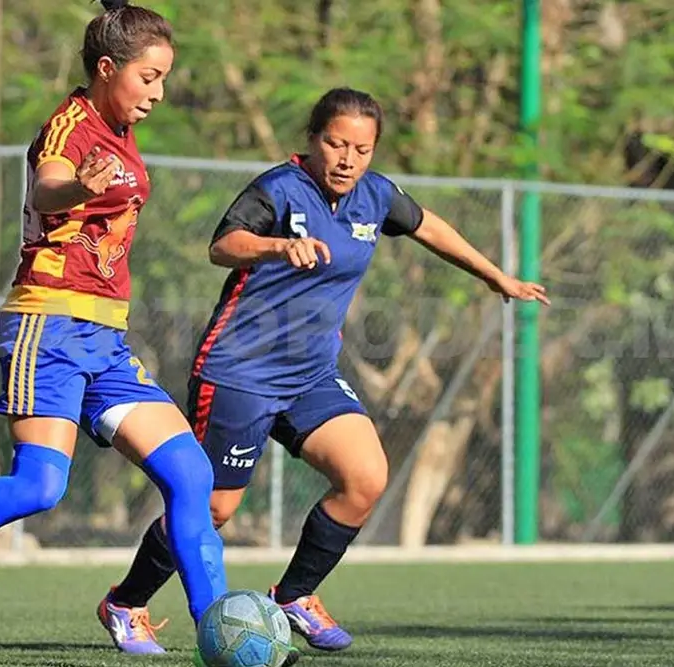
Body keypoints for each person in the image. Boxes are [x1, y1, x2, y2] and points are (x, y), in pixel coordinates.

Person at [0, 4, 258, 664]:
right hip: (49, 327)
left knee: (190, 473)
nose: (158, 92)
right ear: (106, 69)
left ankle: (218, 632)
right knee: (40, 487)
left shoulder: (121, 129)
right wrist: (75, 187)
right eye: (148, 77)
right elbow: (46, 188)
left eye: (163, 78)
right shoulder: (73, 124)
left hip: (105, 338)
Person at [96, 87, 550, 654]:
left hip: (311, 374)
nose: (347, 159)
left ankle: (295, 594)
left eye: (361, 149)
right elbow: (223, 244)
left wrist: (494, 276)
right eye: (336, 143)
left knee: (365, 478)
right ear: (313, 140)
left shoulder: (376, 196)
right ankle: (126, 602)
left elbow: (429, 225)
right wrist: (275, 247)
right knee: (214, 507)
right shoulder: (279, 189)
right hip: (239, 371)